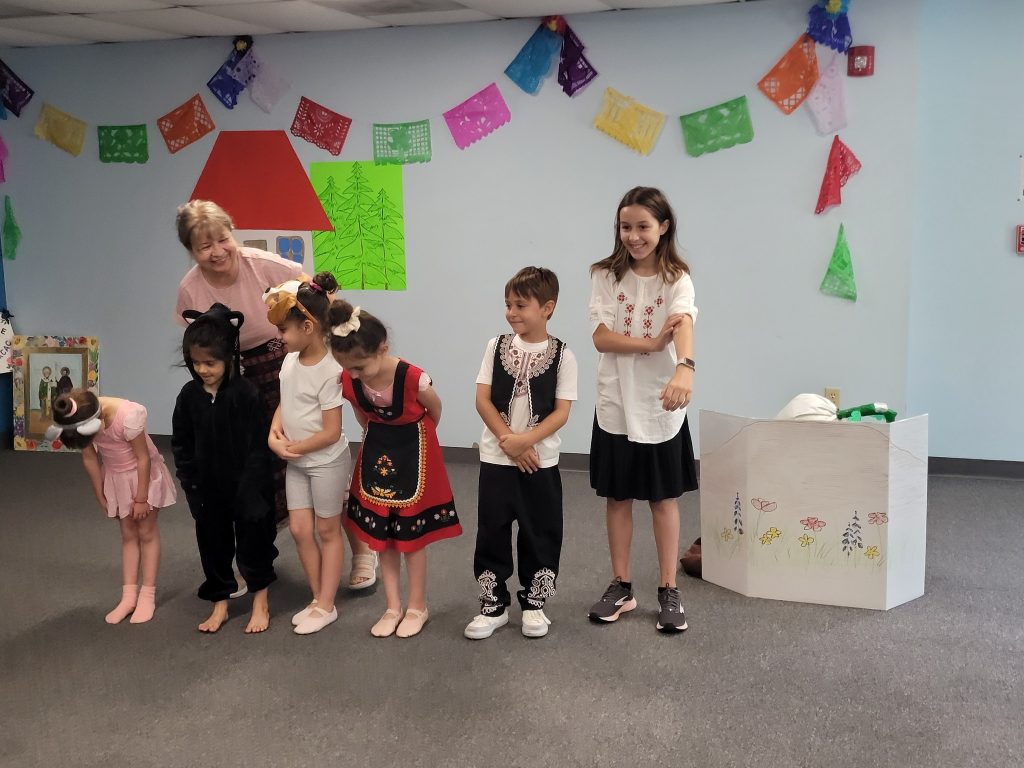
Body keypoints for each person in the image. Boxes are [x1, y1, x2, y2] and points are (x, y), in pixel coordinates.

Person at [586, 186, 699, 634]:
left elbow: (683, 322)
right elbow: (601, 337)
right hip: (616, 400)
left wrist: (685, 367)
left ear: (664, 227)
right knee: (618, 498)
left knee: (662, 499)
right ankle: (621, 586)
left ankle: (669, 588)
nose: (633, 236)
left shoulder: (678, 278)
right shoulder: (604, 275)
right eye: (625, 226)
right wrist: (651, 344)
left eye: (643, 227)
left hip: (659, 403)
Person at [328, 300, 461, 639]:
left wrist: (418, 441)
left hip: (415, 452)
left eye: (360, 366)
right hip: (378, 451)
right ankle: (392, 606)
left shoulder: (413, 379)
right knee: (382, 537)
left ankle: (417, 606)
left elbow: (434, 410)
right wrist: (379, 437)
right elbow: (362, 415)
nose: (353, 374)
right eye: (347, 367)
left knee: (411, 538)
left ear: (382, 349)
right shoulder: (350, 378)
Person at [464, 267, 577, 640]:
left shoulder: (563, 356)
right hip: (496, 460)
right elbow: (483, 400)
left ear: (547, 308)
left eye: (520, 305)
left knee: (539, 531)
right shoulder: (495, 347)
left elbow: (561, 412)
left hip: (539, 463)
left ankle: (534, 604)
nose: (511, 312)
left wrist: (526, 442)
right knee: (492, 530)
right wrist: (509, 440)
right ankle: (492, 606)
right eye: (508, 304)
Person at [174, 200, 302, 529]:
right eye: (205, 246)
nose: (218, 252)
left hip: (281, 361)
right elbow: (197, 340)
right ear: (190, 250)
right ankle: (259, 538)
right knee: (247, 454)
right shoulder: (190, 288)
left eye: (223, 239)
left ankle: (355, 544)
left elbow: (313, 293)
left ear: (232, 233)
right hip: (232, 374)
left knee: (304, 444)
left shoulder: (262, 265)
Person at [172, 303, 279, 634]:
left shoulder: (246, 394)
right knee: (213, 546)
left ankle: (261, 601)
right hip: (208, 490)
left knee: (255, 544)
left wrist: (253, 489)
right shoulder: (189, 396)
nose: (202, 370)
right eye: (196, 363)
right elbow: (181, 444)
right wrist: (191, 484)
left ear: (229, 358)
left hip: (249, 488)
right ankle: (220, 602)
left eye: (210, 363)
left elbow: (259, 446)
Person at [265, 275, 356, 635]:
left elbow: (331, 431)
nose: (279, 338)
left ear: (307, 327)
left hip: (325, 462)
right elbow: (286, 402)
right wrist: (274, 432)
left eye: (283, 330)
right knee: (301, 530)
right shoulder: (289, 361)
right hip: (297, 462)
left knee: (327, 529)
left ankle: (327, 604)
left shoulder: (331, 370)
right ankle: (318, 598)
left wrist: (292, 448)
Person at [48, 389, 177, 624]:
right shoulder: (78, 416)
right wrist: (100, 492)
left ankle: (147, 595)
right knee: (128, 534)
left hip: (142, 478)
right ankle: (129, 596)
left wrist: (141, 499)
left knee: (146, 532)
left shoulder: (128, 416)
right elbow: (89, 457)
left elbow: (143, 458)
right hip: (116, 478)